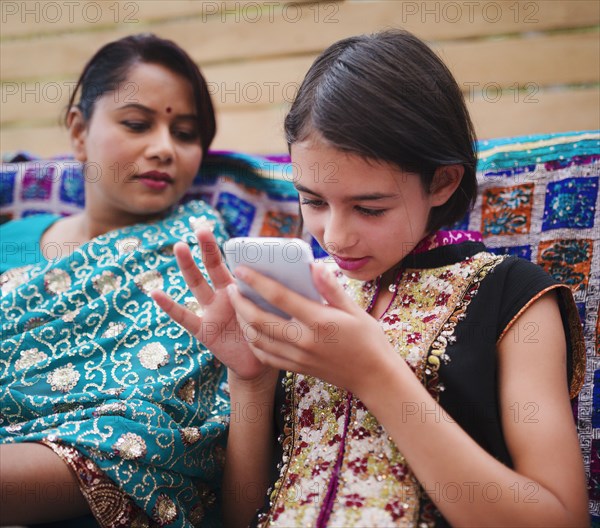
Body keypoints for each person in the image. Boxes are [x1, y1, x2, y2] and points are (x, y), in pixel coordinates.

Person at [153, 29, 588, 527]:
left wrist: (375, 377)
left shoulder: (513, 295)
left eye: (369, 208)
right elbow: (241, 515)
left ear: (442, 181)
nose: (335, 237)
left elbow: (562, 517)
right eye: (313, 201)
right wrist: (250, 380)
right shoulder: (302, 297)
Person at [0, 34, 229, 527]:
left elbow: (177, 430)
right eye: (137, 124)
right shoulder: (11, 239)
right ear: (79, 132)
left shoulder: (203, 253)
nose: (165, 148)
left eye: (186, 133)